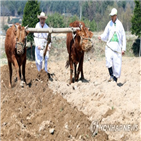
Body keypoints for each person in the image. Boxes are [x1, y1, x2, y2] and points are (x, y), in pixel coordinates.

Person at [98, 8, 126, 82]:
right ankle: (111, 75)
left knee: (117, 64)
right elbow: (105, 33)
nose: (112, 17)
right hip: (109, 46)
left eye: (113, 16)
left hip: (117, 47)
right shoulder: (109, 24)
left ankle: (115, 79)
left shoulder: (120, 24)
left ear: (116, 16)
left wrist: (123, 48)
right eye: (111, 16)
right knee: (108, 60)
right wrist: (101, 37)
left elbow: (123, 36)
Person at [34, 12, 52, 80]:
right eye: (41, 19)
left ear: (45, 20)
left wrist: (48, 46)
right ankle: (39, 73)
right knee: (38, 61)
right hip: (38, 44)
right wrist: (37, 44)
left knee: (46, 58)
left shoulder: (47, 27)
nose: (42, 20)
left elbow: (50, 38)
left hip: (45, 45)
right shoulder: (37, 26)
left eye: (43, 19)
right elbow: (35, 37)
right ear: (39, 19)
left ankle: (45, 73)